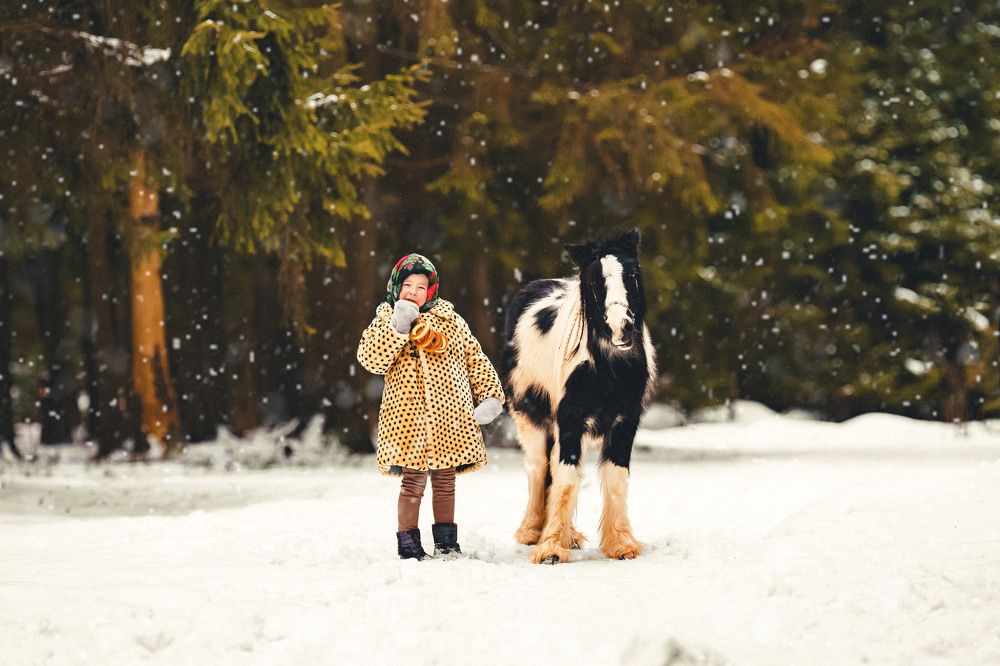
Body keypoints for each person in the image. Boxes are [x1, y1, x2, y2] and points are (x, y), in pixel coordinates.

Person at [357, 253, 505, 560]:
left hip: (449, 417)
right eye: (407, 285)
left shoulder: (450, 321)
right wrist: (399, 326)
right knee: (412, 482)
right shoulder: (386, 320)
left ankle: (447, 542)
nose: (413, 291)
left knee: (445, 480)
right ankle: (408, 544)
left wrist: (490, 395)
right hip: (408, 419)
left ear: (432, 291)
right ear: (396, 287)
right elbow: (371, 359)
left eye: (421, 287)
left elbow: (474, 359)